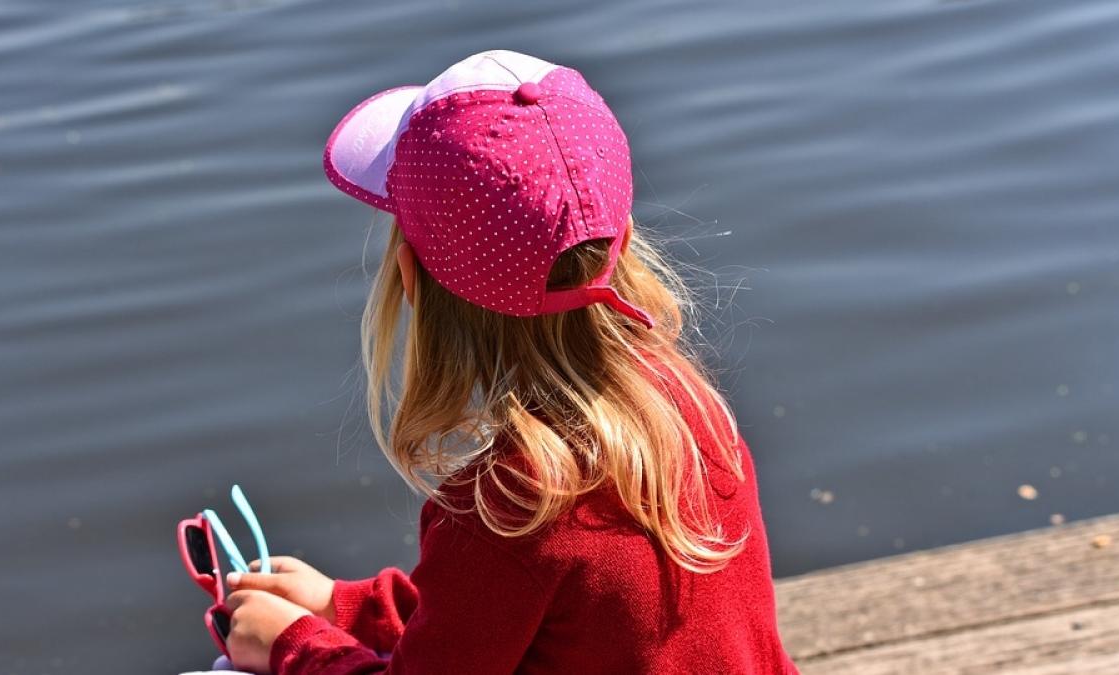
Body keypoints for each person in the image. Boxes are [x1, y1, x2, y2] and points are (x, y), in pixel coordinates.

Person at [215, 49, 799, 675]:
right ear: (621, 241)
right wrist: (345, 606)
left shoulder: (511, 507)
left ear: (411, 279)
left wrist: (294, 646)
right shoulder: (685, 409)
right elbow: (514, 605)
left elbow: (495, 592)